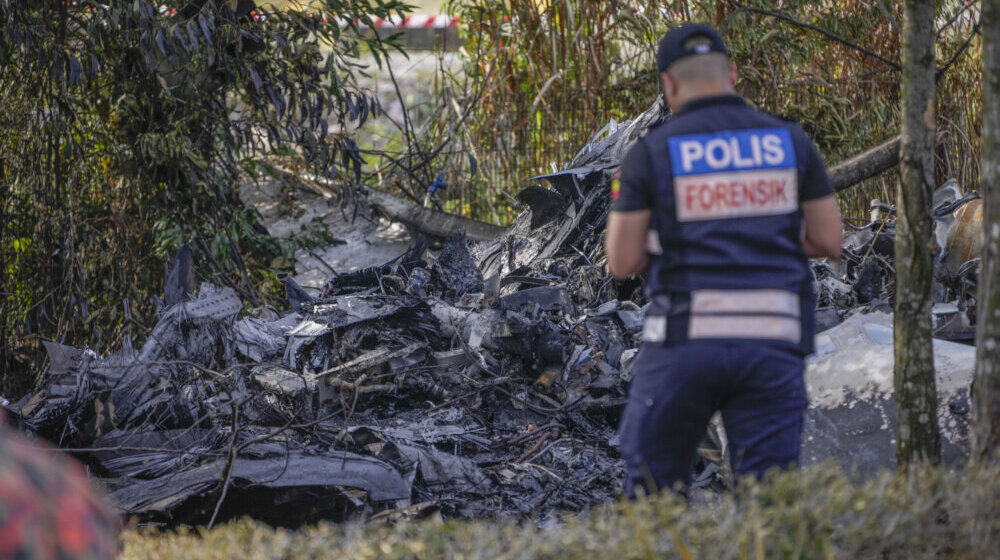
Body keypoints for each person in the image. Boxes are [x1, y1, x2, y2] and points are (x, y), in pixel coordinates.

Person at [605, 22, 843, 496]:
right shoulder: (789, 142)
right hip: (773, 344)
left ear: (668, 84)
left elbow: (622, 261)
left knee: (652, 489)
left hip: (685, 343)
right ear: (733, 72)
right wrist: (759, 233)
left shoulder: (649, 156)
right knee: (771, 499)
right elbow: (828, 240)